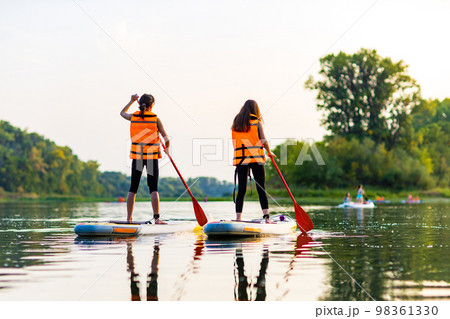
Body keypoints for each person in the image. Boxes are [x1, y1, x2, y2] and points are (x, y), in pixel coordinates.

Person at [120, 94, 170, 223]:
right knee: (153, 188)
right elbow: (166, 138)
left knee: (133, 188)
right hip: (151, 157)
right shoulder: (156, 119)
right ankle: (157, 218)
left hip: (137, 157)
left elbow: (122, 113)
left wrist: (130, 101)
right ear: (152, 105)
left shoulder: (133, 117)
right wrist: (167, 148)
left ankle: (129, 218)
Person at [231, 100, 275, 223]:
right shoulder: (256, 122)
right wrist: (269, 152)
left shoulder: (236, 123)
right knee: (261, 187)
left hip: (241, 159)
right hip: (256, 158)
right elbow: (263, 140)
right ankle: (266, 218)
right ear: (255, 110)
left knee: (242, 189)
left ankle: (238, 218)